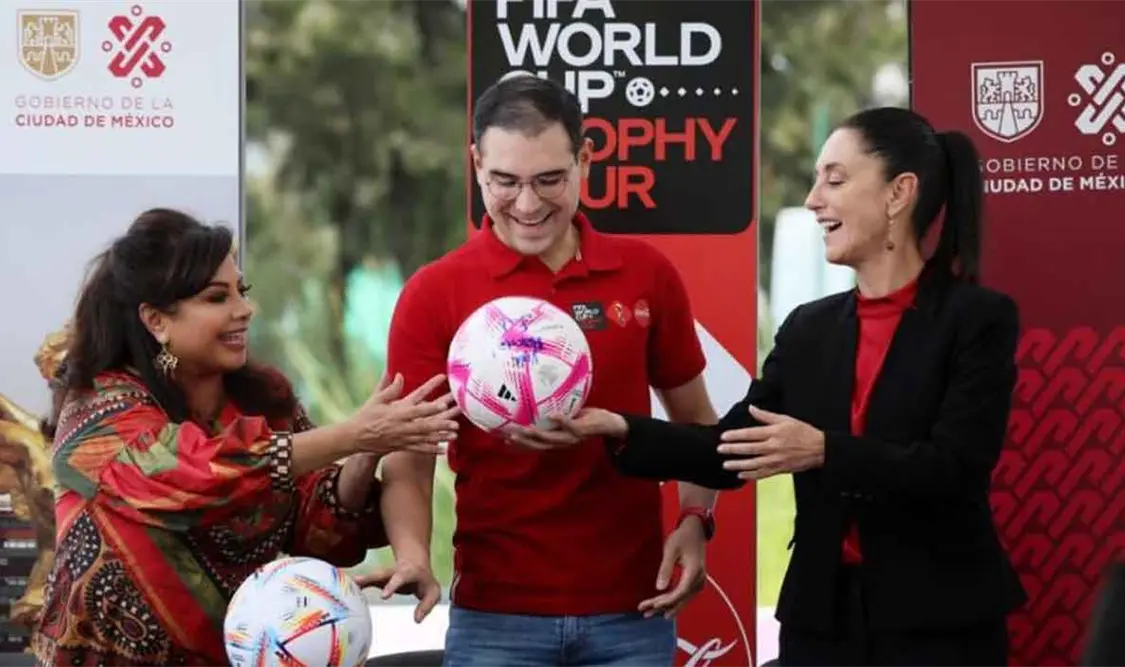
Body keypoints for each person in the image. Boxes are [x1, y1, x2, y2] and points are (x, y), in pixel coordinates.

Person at [542, 107, 1029, 666]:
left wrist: (823, 451)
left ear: (899, 194)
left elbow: (955, 470)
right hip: (822, 622)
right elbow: (727, 450)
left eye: (835, 179)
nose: (813, 199)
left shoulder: (978, 319)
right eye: (817, 178)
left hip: (942, 623)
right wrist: (622, 428)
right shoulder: (808, 328)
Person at [376, 74, 722, 666]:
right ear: (476, 163)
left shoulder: (645, 274)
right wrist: (412, 552)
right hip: (494, 620)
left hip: (634, 615)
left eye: (550, 180)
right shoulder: (435, 292)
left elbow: (696, 426)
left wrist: (695, 521)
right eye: (504, 182)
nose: (528, 205)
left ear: (585, 159)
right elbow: (408, 457)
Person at [30, 208, 459, 667]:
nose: (244, 309)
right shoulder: (97, 407)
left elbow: (317, 532)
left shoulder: (265, 398)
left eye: (242, 291)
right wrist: (354, 435)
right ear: (156, 320)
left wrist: (367, 449)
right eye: (218, 298)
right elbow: (187, 475)